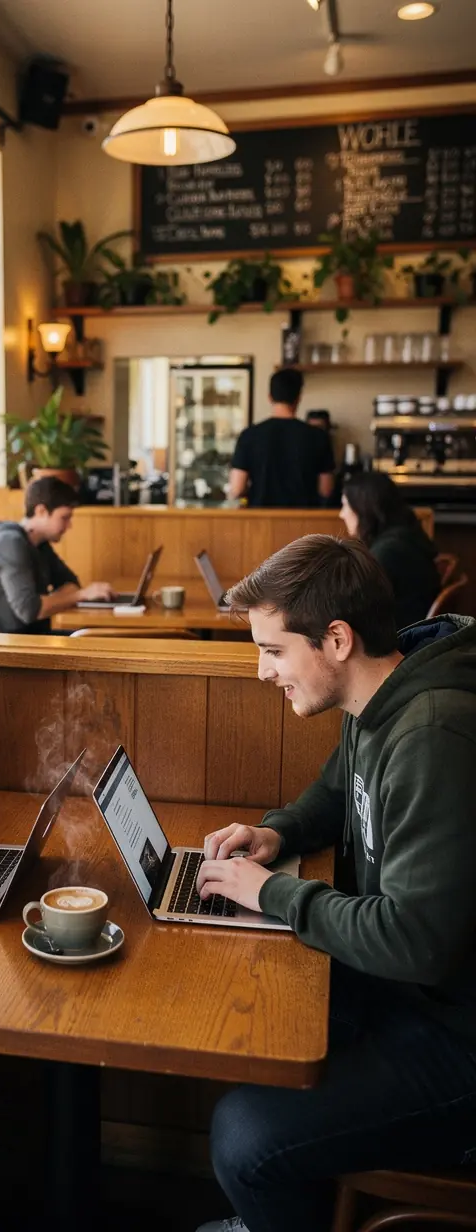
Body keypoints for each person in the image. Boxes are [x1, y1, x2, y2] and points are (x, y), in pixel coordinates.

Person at [192, 534, 476, 1232]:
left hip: (457, 1036)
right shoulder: (381, 696)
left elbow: (414, 941)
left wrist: (270, 893)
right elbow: (333, 795)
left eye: (274, 650)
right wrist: (276, 834)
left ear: (338, 640)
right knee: (250, 1023)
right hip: (416, 995)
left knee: (245, 1137)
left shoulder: (433, 733)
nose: (263, 672)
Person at [0, 475, 114, 633]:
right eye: (64, 518)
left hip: (22, 636)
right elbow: (31, 611)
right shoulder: (9, 543)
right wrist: (81, 595)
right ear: (41, 511)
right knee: (90, 641)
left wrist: (54, 601)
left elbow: (70, 582)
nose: (69, 525)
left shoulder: (39, 544)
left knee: (94, 638)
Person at [340, 470, 440, 628]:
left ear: (362, 508)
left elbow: (355, 610)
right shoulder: (406, 535)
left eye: (345, 505)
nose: (342, 514)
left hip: (399, 640)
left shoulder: (388, 552)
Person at [229, 369, 336, 508]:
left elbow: (236, 489)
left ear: (269, 397)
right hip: (304, 520)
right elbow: (326, 490)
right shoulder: (318, 436)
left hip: (261, 520)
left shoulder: (249, 435)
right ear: (298, 398)